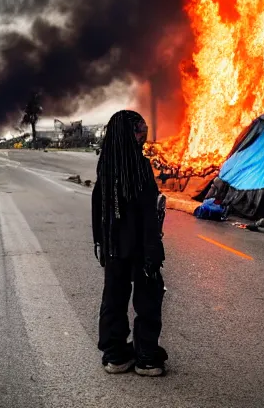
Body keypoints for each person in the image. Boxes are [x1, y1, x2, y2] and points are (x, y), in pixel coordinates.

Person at [92, 110, 168, 377]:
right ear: (128, 132)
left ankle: (115, 356)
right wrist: (152, 249)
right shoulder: (139, 166)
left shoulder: (106, 164)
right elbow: (148, 212)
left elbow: (100, 211)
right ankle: (146, 357)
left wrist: (104, 244)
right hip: (140, 246)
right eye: (139, 130)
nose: (143, 136)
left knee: (114, 297)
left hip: (114, 247)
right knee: (148, 297)